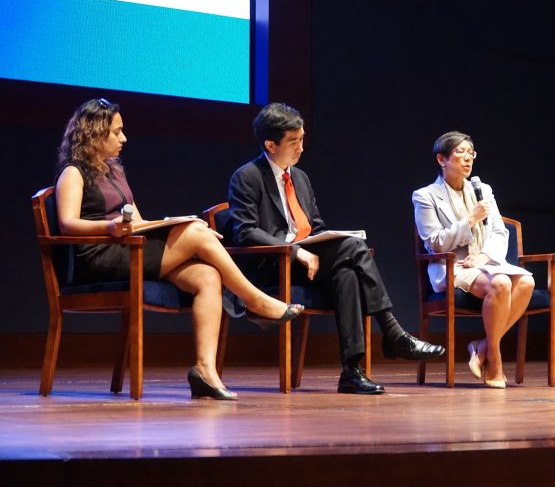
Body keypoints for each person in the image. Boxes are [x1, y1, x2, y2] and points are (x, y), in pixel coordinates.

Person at [54, 98, 303, 401]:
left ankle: (205, 371)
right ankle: (254, 300)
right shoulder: (74, 172)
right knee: (197, 232)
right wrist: (107, 228)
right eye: (117, 132)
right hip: (99, 258)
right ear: (95, 134)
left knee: (207, 276)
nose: (124, 138)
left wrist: (163, 224)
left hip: (130, 250)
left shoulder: (114, 171)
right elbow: (67, 224)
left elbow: (137, 221)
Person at [227, 103, 445, 395]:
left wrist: (319, 242)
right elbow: (245, 231)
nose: (301, 148)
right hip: (273, 265)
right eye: (294, 141)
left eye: (303, 139)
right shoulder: (247, 176)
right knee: (354, 248)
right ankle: (392, 331)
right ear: (270, 144)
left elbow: (315, 227)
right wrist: (293, 250)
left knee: (347, 275)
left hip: (308, 264)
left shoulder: (300, 178)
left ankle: (351, 371)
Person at [412, 131, 535, 389]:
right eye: (460, 153)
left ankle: (482, 346)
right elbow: (434, 242)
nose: (468, 159)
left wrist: (483, 256)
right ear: (441, 159)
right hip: (451, 266)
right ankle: (496, 360)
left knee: (526, 282)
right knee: (501, 283)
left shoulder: (483, 190)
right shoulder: (425, 196)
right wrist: (469, 220)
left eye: (471, 153)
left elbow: (500, 231)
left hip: (484, 262)